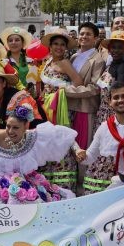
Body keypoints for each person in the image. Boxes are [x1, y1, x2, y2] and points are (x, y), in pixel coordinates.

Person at [0, 101, 78, 203]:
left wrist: (78, 150)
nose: (10, 131)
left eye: (15, 128)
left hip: (22, 181)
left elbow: (63, 135)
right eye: (8, 126)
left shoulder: (33, 137)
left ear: (26, 126)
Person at [36, 29, 83, 192]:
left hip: (59, 108)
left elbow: (78, 82)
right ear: (50, 46)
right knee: (47, 140)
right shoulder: (48, 61)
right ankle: (47, 182)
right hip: (46, 108)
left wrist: (60, 91)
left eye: (62, 45)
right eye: (56, 44)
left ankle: (63, 185)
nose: (59, 47)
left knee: (61, 139)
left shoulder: (65, 63)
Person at [66, 22, 106, 150]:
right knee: (70, 146)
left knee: (83, 147)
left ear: (95, 38)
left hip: (85, 108)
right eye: (82, 33)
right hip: (68, 106)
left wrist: (68, 91)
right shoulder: (73, 57)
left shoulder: (98, 60)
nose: (84, 36)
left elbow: (95, 87)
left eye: (88, 34)